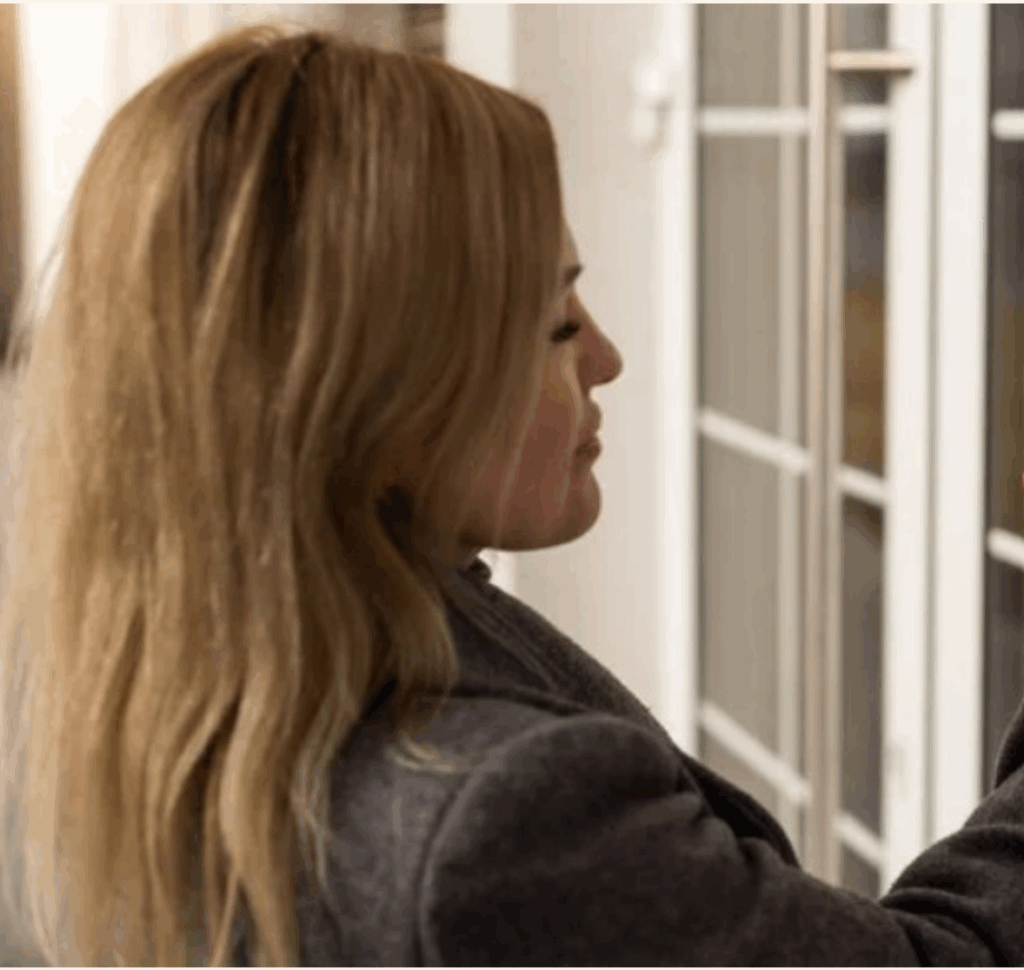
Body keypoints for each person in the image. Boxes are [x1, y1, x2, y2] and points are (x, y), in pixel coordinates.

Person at [1, 21, 1024, 969]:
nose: (607, 357)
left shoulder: (162, 678)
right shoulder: (494, 823)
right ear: (373, 397)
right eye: (554, 325)